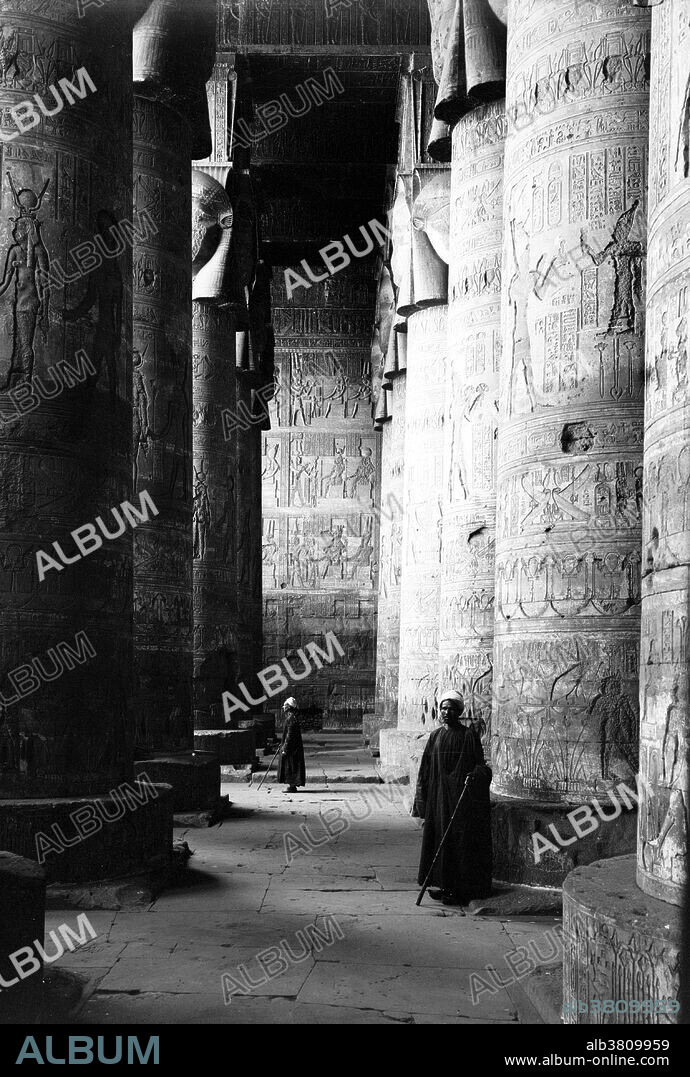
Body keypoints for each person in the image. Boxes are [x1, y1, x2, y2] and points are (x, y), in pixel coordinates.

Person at [412, 689, 492, 906]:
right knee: (439, 842)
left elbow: (481, 767)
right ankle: (444, 885)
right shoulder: (435, 736)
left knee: (459, 844)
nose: (446, 712)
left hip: (460, 800)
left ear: (459, 712)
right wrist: (421, 803)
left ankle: (459, 890)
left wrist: (475, 775)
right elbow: (425, 770)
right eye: (443, 708)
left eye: (451, 709)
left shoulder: (468, 736)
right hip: (438, 800)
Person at [278, 697, 305, 794]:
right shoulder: (293, 717)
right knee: (292, 765)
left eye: (285, 706)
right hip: (294, 747)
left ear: (289, 707)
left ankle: (292, 785)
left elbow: (289, 735)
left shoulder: (291, 719)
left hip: (292, 748)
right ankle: (292, 785)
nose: (283, 708)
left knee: (291, 765)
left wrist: (285, 747)